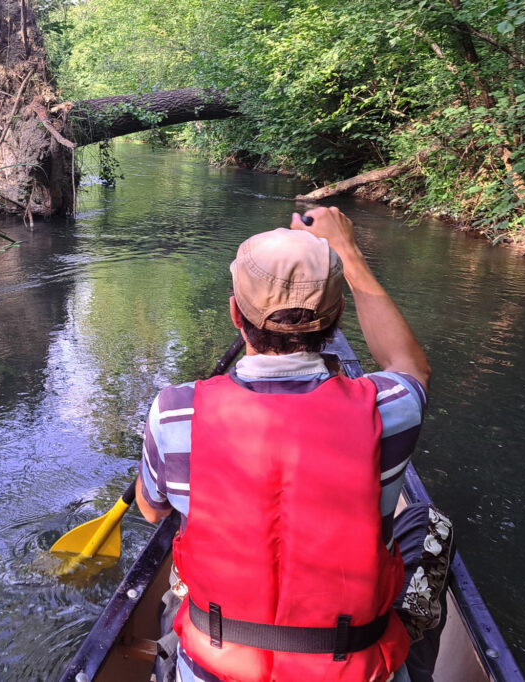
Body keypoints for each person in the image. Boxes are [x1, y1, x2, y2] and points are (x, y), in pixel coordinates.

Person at [135, 206, 451, 682]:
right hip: (352, 668)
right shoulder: (390, 409)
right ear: (338, 316)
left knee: (181, 564)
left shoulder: (175, 413)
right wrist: (348, 252)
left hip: (214, 666)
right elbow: (409, 365)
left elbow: (152, 510)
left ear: (235, 313)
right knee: (432, 524)